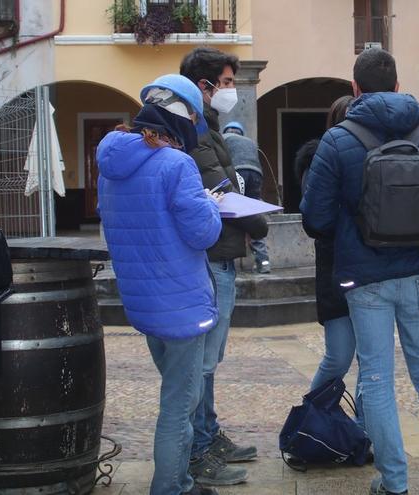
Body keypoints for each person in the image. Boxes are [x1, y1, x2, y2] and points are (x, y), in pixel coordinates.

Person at [300, 48, 419, 495]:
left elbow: (314, 220)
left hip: (366, 278)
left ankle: (394, 482)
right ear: (398, 86)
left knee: (375, 376)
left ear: (354, 89)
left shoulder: (337, 140)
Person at [97, 74, 222, 495]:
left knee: (175, 396)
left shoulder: (110, 166)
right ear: (182, 118)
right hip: (182, 304)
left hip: (145, 302)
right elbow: (203, 234)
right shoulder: (177, 164)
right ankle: (171, 488)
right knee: (178, 408)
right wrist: (210, 203)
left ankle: (181, 480)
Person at [180, 47, 268, 486]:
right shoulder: (196, 133)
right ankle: (199, 452)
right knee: (203, 363)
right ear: (205, 87)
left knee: (208, 362)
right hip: (213, 258)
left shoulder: (205, 127)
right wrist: (260, 222)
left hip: (221, 254)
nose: (231, 91)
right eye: (228, 83)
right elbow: (221, 189)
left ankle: (208, 435)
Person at [295, 95, 361, 395]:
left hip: (369, 270)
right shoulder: (317, 161)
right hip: (335, 271)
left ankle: (365, 428)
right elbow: (315, 218)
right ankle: (311, 421)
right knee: (338, 356)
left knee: (372, 362)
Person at [222, 121, 271, 274]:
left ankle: (230, 260)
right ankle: (264, 261)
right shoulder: (249, 142)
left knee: (233, 213)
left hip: (237, 173)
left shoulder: (223, 138)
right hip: (256, 174)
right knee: (252, 215)